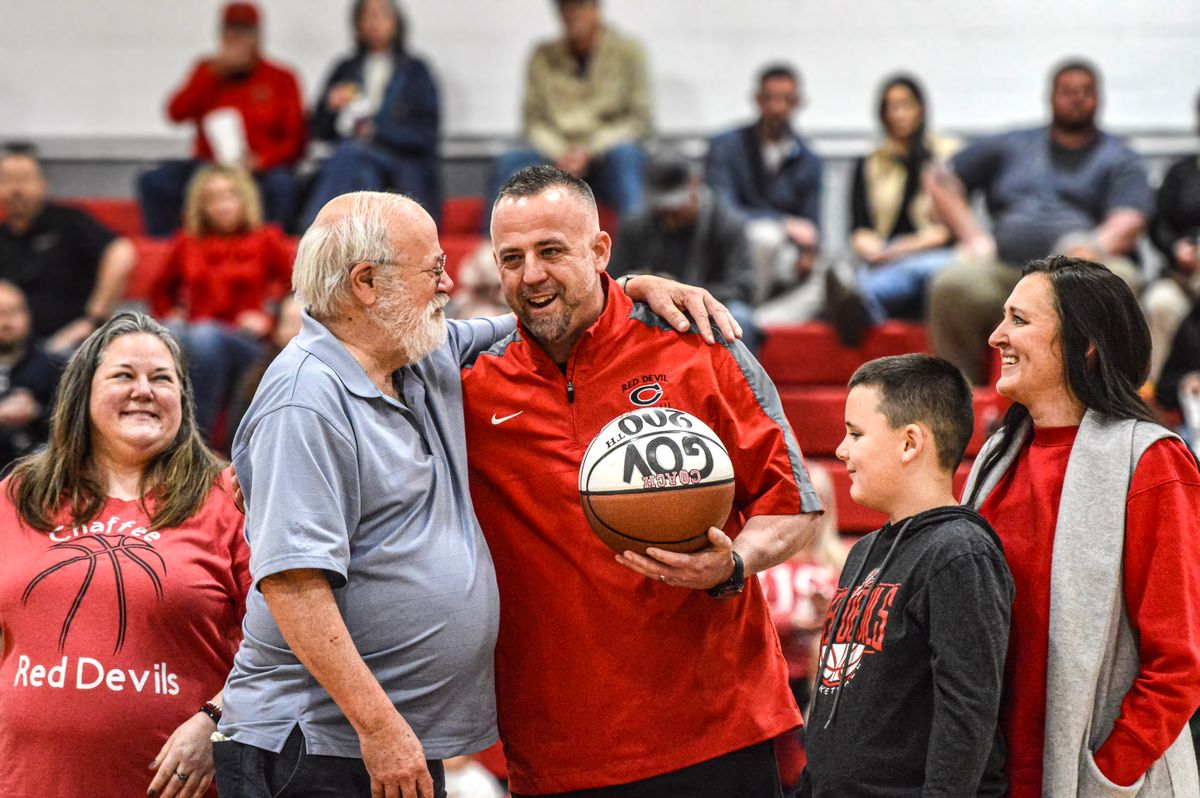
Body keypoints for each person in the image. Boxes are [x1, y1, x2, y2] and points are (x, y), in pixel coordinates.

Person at [218, 190, 732, 798]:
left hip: (387, 743)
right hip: (323, 745)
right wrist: (380, 729)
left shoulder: (419, 349)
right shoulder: (305, 399)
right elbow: (294, 586)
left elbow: (548, 316)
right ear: (365, 284)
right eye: (433, 270)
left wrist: (631, 285)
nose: (447, 285)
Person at [461, 165, 823, 797]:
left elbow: (793, 505)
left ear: (600, 249)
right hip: (559, 754)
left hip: (718, 730)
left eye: (551, 251)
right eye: (511, 258)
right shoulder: (467, 389)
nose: (531, 275)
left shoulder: (701, 345)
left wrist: (734, 563)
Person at [961, 256, 1200, 795]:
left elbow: (1179, 664)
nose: (997, 335)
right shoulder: (996, 457)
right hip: (997, 776)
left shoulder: (1153, 461)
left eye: (1019, 320)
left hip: (1104, 781)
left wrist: (1108, 775)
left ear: (1084, 344)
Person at [0, 312, 249, 798]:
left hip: (178, 786)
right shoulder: (20, 494)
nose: (144, 390)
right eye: (123, 376)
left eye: (163, 379)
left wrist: (217, 719)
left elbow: (283, 641)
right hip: (27, 779)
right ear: (81, 394)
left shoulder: (230, 496)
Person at [800, 354, 1013, 796]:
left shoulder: (959, 552)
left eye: (855, 434)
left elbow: (967, 715)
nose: (841, 450)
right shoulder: (861, 553)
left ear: (910, 442)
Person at [926, 60, 1154, 383]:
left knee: (1125, 279)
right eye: (1068, 92)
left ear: (1098, 98)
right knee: (951, 286)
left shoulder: (1119, 156)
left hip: (1077, 274)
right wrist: (973, 237)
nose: (1076, 99)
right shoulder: (1012, 144)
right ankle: (959, 401)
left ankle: (1112, 394)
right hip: (1006, 271)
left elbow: (1131, 218)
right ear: (1051, 97)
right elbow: (941, 178)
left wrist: (1094, 245)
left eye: (1085, 92)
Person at [149, 164, 293, 443]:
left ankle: (196, 440)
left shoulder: (266, 239)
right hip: (200, 335)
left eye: (229, 196)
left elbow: (297, 290)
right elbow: (159, 292)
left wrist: (269, 320)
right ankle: (160, 431)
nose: (222, 206)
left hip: (250, 342)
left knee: (204, 336)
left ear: (245, 199)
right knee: (171, 332)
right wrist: (172, 313)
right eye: (212, 199)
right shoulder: (187, 241)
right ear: (200, 205)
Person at [482, 0, 651, 232]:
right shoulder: (542, 56)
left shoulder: (629, 52)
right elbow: (533, 121)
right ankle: (492, 253)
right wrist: (560, 151)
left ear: (596, 9)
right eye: (564, 7)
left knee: (627, 158)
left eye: (579, 6)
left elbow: (639, 120)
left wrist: (589, 150)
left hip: (605, 155)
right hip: (554, 155)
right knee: (509, 162)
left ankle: (638, 248)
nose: (572, 14)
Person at [138, 1, 305, 235]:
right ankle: (168, 253)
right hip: (209, 166)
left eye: (244, 32)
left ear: (257, 37)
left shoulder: (281, 78)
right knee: (154, 181)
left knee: (283, 185)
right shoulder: (206, 70)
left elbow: (295, 140)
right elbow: (175, 113)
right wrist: (213, 74)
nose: (237, 40)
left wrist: (261, 161)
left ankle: (274, 253)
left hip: (260, 169)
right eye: (231, 32)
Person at [819, 75, 961, 345]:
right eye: (891, 107)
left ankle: (859, 305)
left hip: (934, 251)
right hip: (886, 251)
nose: (898, 114)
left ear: (920, 108)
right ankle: (859, 306)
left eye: (905, 105)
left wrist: (904, 247)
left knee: (910, 271)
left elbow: (954, 228)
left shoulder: (946, 155)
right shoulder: (872, 162)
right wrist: (869, 246)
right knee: (860, 271)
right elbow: (859, 225)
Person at [299, 0, 440, 230]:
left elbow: (425, 135)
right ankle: (337, 237)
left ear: (396, 22)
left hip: (399, 162)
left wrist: (377, 133)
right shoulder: (344, 69)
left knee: (353, 155)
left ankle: (315, 232)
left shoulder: (416, 71)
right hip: (353, 161)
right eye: (367, 16)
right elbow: (318, 131)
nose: (374, 23)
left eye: (381, 15)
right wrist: (329, 107)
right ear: (357, 25)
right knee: (353, 160)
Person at [608, 149, 759, 349]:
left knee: (740, 318)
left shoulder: (725, 222)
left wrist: (682, 290)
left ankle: (736, 380)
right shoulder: (636, 224)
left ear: (694, 185)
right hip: (651, 309)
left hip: (710, 307)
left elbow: (744, 286)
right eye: (663, 208)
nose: (670, 215)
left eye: (675, 207)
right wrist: (642, 285)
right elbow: (612, 282)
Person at [0, 144, 135, 355]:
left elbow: (121, 252)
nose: (17, 190)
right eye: (8, 180)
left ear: (43, 184)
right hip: (13, 351)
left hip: (72, 346)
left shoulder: (70, 221)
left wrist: (94, 319)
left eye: (25, 179)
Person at [707, 63, 822, 303]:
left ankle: (758, 321)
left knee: (826, 276)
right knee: (766, 237)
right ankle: (748, 312)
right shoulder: (726, 146)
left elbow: (812, 225)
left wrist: (808, 254)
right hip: (730, 251)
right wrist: (782, 223)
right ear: (757, 99)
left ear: (797, 102)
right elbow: (723, 211)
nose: (777, 107)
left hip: (785, 258)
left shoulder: (809, 158)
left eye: (785, 99)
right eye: (770, 98)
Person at [1144, 90, 1200, 382]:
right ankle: (1153, 403)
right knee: (1160, 302)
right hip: (1183, 278)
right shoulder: (1181, 174)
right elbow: (1158, 224)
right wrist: (1176, 248)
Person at [0, 281, 59, 469]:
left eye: (13, 313)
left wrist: (38, 412)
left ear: (28, 316)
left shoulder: (51, 365)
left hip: (36, 471)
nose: (6, 323)